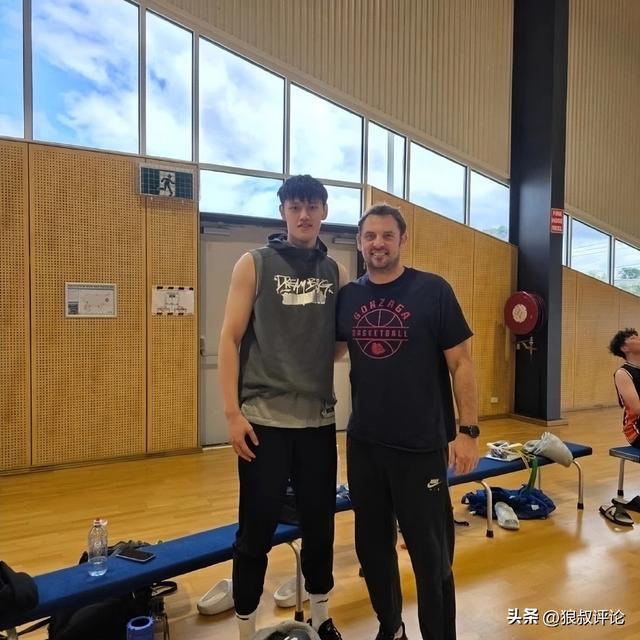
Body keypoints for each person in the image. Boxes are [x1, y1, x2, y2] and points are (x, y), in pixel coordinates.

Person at [336, 203, 480, 640]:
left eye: (387, 235)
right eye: (369, 236)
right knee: (372, 550)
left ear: (403, 240)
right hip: (365, 445)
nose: (378, 243)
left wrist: (468, 431)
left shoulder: (433, 291)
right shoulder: (349, 297)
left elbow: (462, 364)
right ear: (359, 243)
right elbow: (329, 352)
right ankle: (390, 626)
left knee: (431, 556)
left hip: (420, 447)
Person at [218, 175, 347, 640]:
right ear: (283, 212)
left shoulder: (336, 272)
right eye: (295, 207)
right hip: (263, 423)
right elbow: (229, 339)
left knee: (320, 528)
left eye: (312, 206)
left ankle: (321, 617)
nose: (304, 215)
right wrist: (232, 414)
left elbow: (338, 344)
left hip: (317, 422)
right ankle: (246, 629)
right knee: (255, 533)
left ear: (325, 212)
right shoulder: (254, 263)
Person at [609, 328, 640, 447]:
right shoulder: (623, 373)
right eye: (633, 338)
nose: (639, 339)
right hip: (636, 428)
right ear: (624, 348)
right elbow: (638, 409)